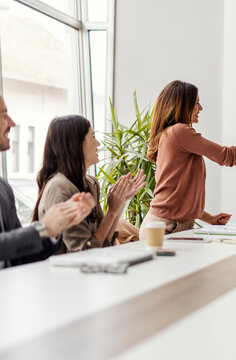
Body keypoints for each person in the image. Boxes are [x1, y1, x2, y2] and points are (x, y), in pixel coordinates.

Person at [141, 80, 236, 237]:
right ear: (182, 105)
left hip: (167, 225)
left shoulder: (172, 134)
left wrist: (210, 219)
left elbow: (178, 196)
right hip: (165, 227)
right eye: (196, 103)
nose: (200, 108)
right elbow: (226, 156)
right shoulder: (179, 132)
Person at [0, 95, 95, 268]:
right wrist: (43, 228)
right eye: (3, 115)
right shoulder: (60, 185)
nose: (12, 123)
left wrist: (54, 229)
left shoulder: (4, 189)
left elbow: (20, 255)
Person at [33, 115, 146, 253]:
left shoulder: (91, 183)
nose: (98, 143)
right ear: (76, 144)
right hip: (65, 272)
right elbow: (84, 252)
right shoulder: (59, 187)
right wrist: (111, 212)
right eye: (93, 137)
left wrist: (119, 203)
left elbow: (104, 243)